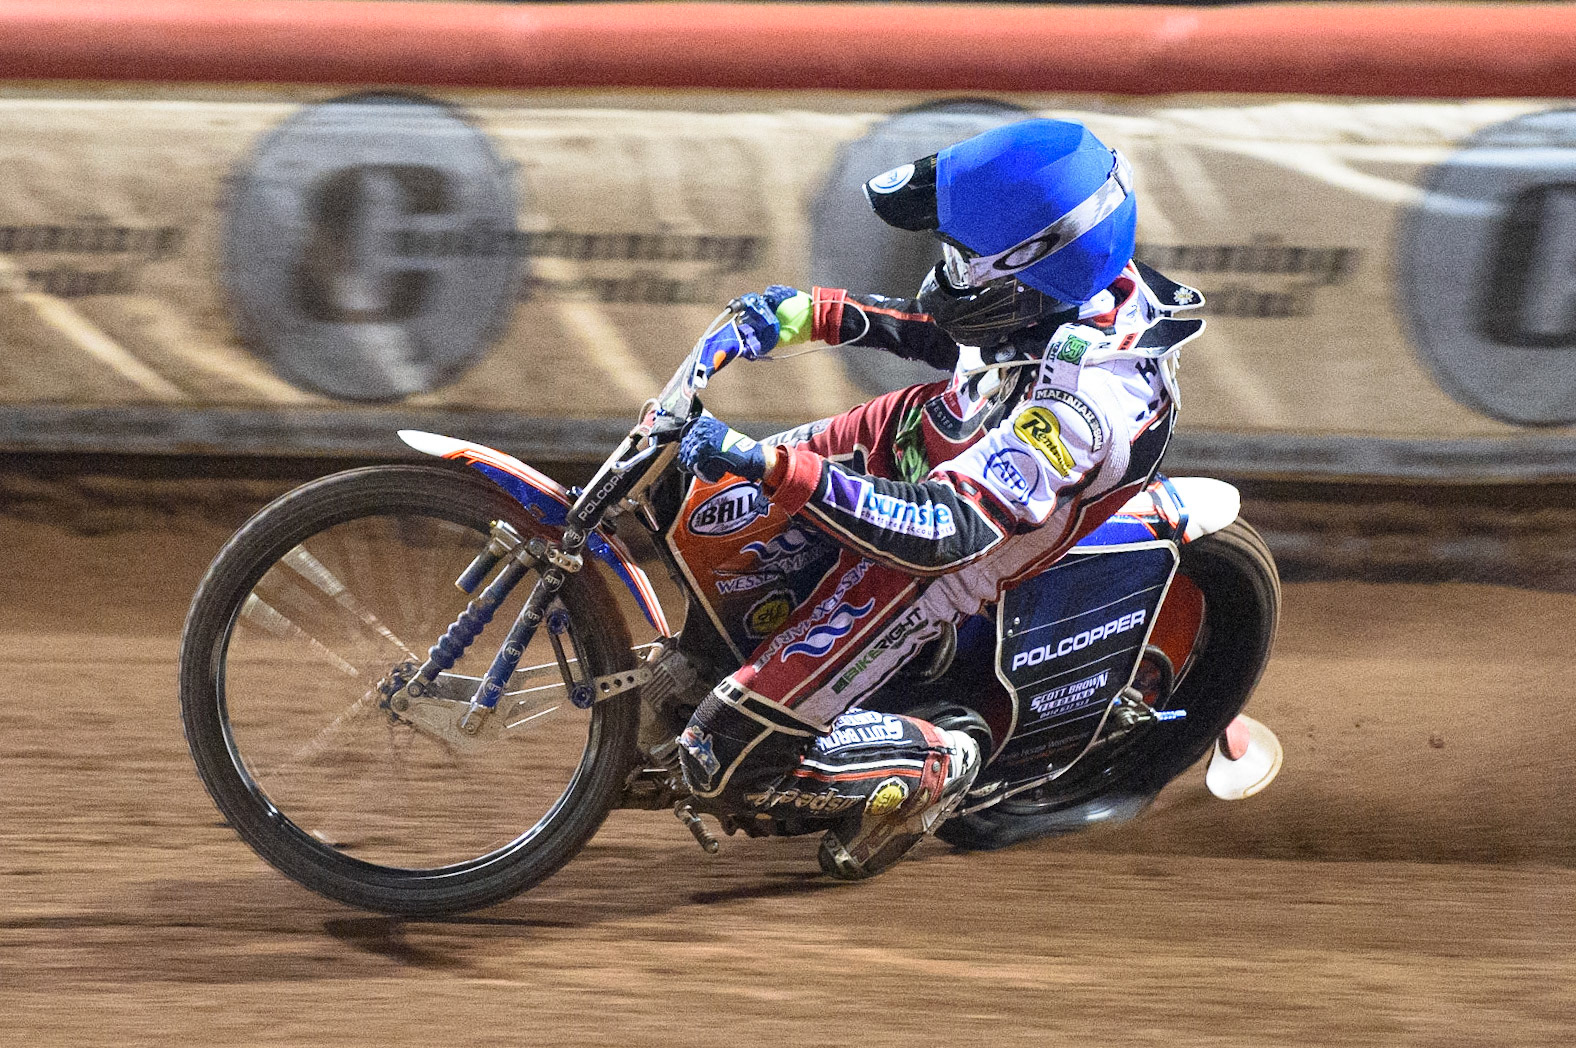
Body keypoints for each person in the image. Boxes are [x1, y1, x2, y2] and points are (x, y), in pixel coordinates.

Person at [673, 118, 1205, 880]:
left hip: (938, 562)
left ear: (1036, 262)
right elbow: (960, 336)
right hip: (930, 432)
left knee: (716, 758)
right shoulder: (1052, 294)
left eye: (965, 259)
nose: (945, 271)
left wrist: (777, 469)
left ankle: (935, 767)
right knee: (688, 491)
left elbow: (942, 534)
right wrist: (812, 311)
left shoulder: (1085, 408)